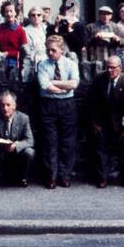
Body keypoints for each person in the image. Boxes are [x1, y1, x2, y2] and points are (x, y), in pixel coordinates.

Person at [88, 55, 124, 189]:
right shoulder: (99, 78)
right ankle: (102, 178)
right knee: (101, 150)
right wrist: (95, 123)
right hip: (103, 121)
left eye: (113, 67)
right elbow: (92, 102)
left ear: (120, 68)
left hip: (121, 122)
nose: (110, 70)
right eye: (108, 67)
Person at [37, 35, 79, 188]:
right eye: (48, 50)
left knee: (67, 142)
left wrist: (54, 82)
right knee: (50, 142)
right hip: (48, 105)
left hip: (67, 106)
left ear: (61, 50)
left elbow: (74, 84)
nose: (50, 53)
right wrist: (61, 89)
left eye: (53, 50)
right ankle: (51, 177)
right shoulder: (42, 65)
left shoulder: (71, 64)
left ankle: (65, 176)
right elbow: (44, 85)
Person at [0, 91, 35, 189]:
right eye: (2, 105)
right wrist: (3, 143)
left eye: (8, 105)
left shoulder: (24, 118)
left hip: (17, 150)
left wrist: (16, 145)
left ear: (14, 106)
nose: (5, 108)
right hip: (1, 149)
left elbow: (30, 141)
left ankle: (23, 178)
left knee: (30, 152)